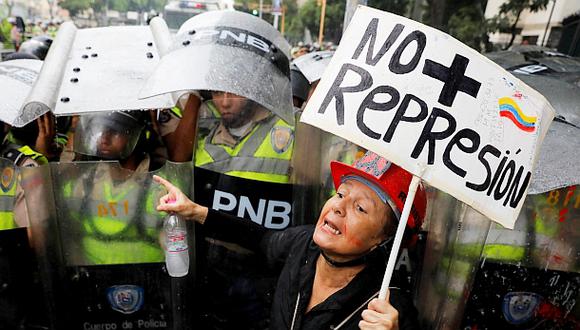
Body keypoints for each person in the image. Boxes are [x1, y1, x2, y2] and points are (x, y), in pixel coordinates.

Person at [154, 150, 425, 329]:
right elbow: (262, 239)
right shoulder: (303, 244)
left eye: (361, 208)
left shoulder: (390, 310)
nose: (338, 207)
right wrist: (195, 211)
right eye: (341, 194)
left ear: (384, 238)